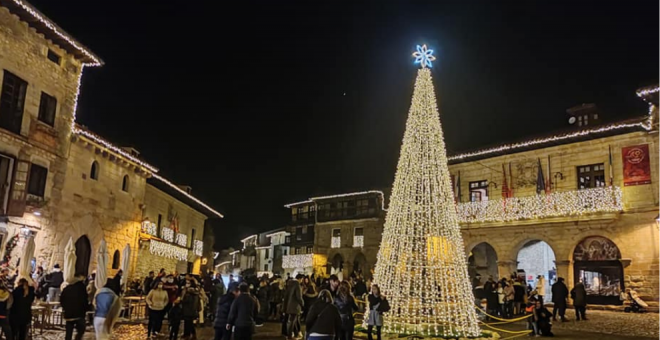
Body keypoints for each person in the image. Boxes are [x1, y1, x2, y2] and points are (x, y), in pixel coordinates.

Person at [60, 275, 87, 340]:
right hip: (79, 313)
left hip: (69, 314)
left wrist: (65, 308)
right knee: (81, 329)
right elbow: (84, 300)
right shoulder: (82, 288)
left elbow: (62, 300)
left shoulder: (66, 289)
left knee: (69, 332)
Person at [283, 274, 304, 340]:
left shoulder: (290, 284)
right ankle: (289, 335)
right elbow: (299, 297)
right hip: (295, 306)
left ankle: (295, 333)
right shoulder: (297, 285)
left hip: (289, 306)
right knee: (292, 321)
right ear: (300, 279)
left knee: (293, 321)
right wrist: (302, 304)